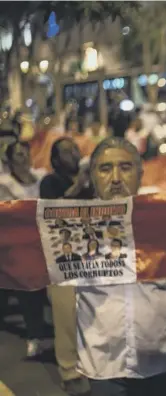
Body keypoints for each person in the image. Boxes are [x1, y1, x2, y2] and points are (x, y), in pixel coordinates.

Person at [77, 137, 166, 396]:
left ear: (140, 173)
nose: (115, 178)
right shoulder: (73, 228)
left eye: (125, 167)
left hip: (159, 363)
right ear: (92, 175)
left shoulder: (165, 222)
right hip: (103, 366)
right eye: (105, 168)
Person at [40, 137, 94, 396]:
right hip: (63, 259)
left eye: (75, 148)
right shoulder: (50, 183)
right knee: (66, 316)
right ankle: (70, 371)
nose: (73, 153)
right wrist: (78, 186)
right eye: (66, 151)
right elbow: (51, 212)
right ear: (55, 158)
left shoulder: (92, 181)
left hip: (92, 257)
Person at [0, 141, 51, 357]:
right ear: (9, 161)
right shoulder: (4, 183)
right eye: (17, 155)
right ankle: (34, 335)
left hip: (45, 241)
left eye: (25, 153)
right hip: (16, 245)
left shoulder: (42, 176)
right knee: (27, 287)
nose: (23, 158)